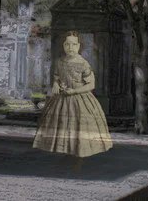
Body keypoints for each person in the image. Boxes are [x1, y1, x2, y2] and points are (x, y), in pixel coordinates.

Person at [33, 30, 112, 158]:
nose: (70, 47)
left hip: (80, 98)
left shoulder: (83, 63)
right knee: (60, 121)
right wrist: (56, 84)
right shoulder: (60, 61)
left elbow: (91, 85)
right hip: (61, 98)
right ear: (63, 46)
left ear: (79, 46)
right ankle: (62, 149)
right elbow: (57, 76)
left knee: (80, 124)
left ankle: (79, 149)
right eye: (67, 44)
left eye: (74, 44)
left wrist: (74, 91)